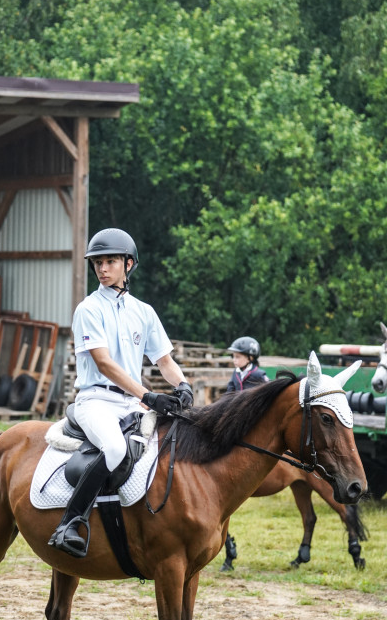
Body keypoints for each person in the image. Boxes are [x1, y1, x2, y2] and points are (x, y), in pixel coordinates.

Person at [48, 228, 193, 557]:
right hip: (96, 401)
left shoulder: (143, 312)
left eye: (110, 261)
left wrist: (182, 385)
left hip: (131, 404)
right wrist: (149, 396)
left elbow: (164, 360)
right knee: (114, 448)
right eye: (97, 262)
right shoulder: (88, 309)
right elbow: (104, 364)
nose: (102, 268)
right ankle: (70, 523)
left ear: (129, 264)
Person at [221, 336, 269, 571]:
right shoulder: (236, 376)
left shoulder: (259, 377)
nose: (234, 359)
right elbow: (228, 398)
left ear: (250, 358)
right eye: (233, 356)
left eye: (237, 356)